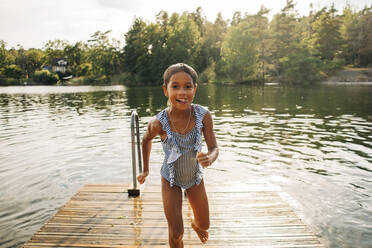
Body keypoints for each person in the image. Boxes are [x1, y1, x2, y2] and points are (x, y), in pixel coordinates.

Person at [137, 63, 219, 247]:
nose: (182, 92)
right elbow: (145, 139)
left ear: (195, 89)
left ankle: (197, 227)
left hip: (195, 177)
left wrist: (210, 157)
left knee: (205, 225)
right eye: (175, 86)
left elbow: (214, 147)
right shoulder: (158, 122)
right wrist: (145, 170)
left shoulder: (203, 115)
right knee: (176, 233)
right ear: (166, 90)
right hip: (170, 179)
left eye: (187, 86)